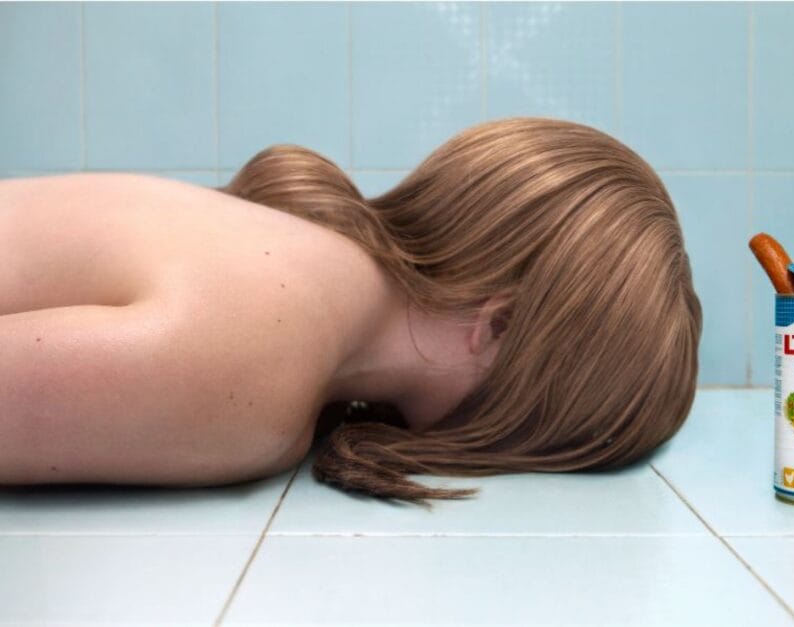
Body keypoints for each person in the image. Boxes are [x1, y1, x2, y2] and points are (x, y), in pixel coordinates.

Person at [0, 117, 701, 508]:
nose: (516, 449)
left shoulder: (299, 275)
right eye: (547, 426)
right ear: (498, 326)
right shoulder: (263, 364)